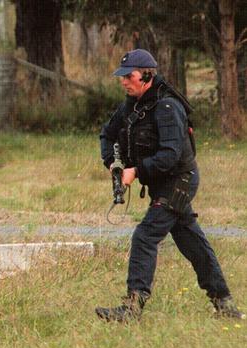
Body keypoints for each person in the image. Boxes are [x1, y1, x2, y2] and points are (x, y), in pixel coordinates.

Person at [97, 49, 245, 322]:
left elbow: (170, 156)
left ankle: (132, 307)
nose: (124, 81)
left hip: (179, 181)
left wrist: (136, 171)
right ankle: (225, 306)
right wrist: (113, 164)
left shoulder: (167, 107)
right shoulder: (132, 104)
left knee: (145, 236)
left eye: (129, 76)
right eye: (122, 76)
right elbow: (106, 134)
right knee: (192, 243)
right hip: (162, 184)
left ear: (147, 76)